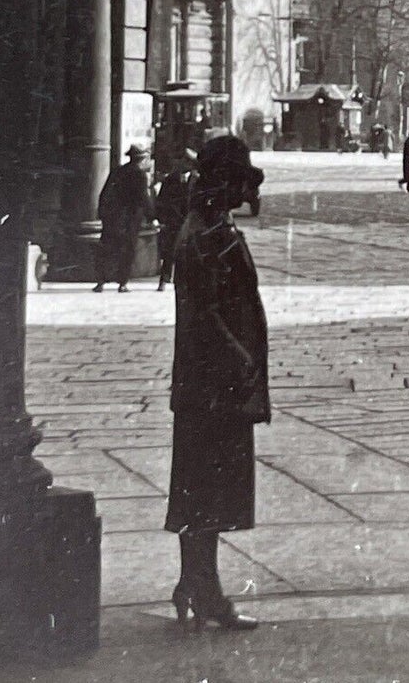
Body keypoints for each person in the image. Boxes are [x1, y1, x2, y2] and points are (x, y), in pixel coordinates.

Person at [165, 134, 267, 631]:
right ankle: (204, 590)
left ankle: (193, 583)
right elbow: (206, 311)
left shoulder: (205, 224)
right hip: (215, 384)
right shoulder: (206, 232)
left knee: (200, 487)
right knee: (209, 488)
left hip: (206, 383)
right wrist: (240, 355)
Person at [94, 144, 154, 292]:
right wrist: (152, 216)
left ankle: (101, 281)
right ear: (140, 159)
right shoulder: (139, 174)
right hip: (130, 218)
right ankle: (122, 283)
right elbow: (143, 197)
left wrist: (102, 213)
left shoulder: (117, 172)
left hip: (113, 217)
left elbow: (105, 192)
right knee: (127, 250)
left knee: (107, 248)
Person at [154, 150, 197, 293]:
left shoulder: (197, 180)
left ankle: (187, 282)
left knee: (189, 252)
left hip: (190, 222)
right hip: (173, 221)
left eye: (188, 162)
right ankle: (164, 280)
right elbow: (161, 200)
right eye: (183, 161)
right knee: (169, 252)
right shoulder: (170, 179)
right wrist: (162, 218)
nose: (184, 164)